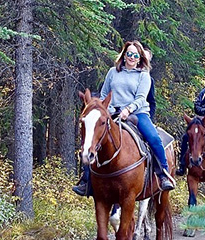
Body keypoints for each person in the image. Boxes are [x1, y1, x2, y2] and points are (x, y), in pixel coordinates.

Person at [73, 40, 175, 196]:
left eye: (135, 55)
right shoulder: (113, 72)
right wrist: (107, 109)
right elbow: (103, 94)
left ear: (140, 58)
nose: (132, 57)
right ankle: (87, 180)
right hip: (112, 112)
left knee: (154, 138)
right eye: (129, 54)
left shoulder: (143, 75)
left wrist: (128, 109)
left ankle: (163, 174)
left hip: (137, 113)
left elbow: (142, 98)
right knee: (92, 139)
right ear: (124, 55)